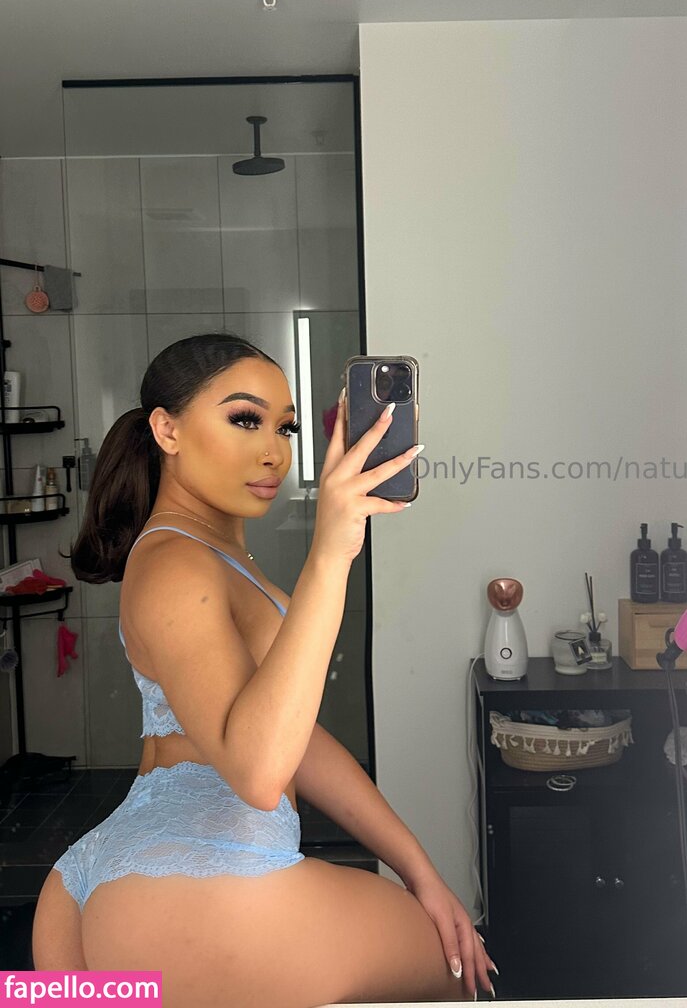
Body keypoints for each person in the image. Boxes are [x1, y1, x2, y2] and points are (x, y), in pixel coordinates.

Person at [31, 333, 496, 1006]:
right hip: (195, 887)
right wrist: (331, 552)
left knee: (440, 946)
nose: (274, 450)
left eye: (286, 427)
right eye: (245, 419)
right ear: (166, 430)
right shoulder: (175, 565)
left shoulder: (205, 553)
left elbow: (294, 737)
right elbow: (258, 773)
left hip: (104, 885)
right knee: (454, 979)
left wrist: (418, 869)